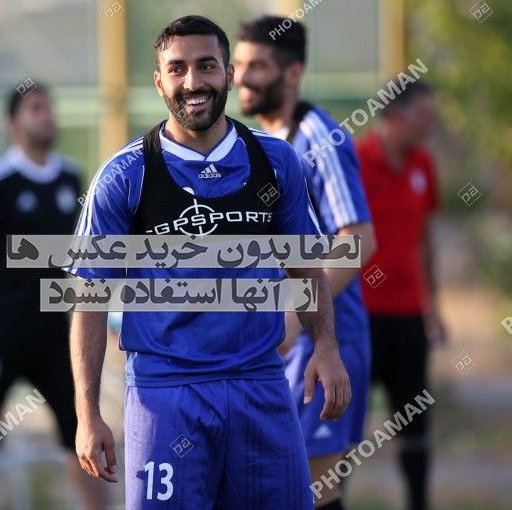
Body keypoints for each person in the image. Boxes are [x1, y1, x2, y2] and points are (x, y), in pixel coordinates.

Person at [68, 15, 351, 509]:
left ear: (229, 74)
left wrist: (326, 345)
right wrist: (87, 413)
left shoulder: (276, 162)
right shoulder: (125, 175)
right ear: (159, 81)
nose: (192, 82)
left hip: (260, 385)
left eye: (206, 66)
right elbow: (89, 299)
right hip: (165, 395)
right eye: (177, 69)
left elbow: (306, 268)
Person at [234, 16, 377, 510]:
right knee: (276, 490)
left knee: (313, 491)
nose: (241, 77)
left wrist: (297, 313)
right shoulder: (262, 144)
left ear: (293, 72)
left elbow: (359, 239)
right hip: (286, 340)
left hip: (325, 338)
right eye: (238, 64)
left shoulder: (319, 137)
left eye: (257, 66)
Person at [0, 83, 107, 510]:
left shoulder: (71, 178)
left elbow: (78, 254)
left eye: (49, 107)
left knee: (78, 426)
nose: (47, 115)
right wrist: (3, 296)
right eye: (36, 108)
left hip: (53, 333)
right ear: (13, 124)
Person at [356, 79, 444, 510]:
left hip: (409, 318)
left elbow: (425, 239)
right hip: (361, 319)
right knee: (342, 427)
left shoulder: (423, 164)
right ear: (394, 115)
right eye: (423, 116)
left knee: (415, 426)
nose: (430, 125)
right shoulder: (356, 162)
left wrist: (433, 307)